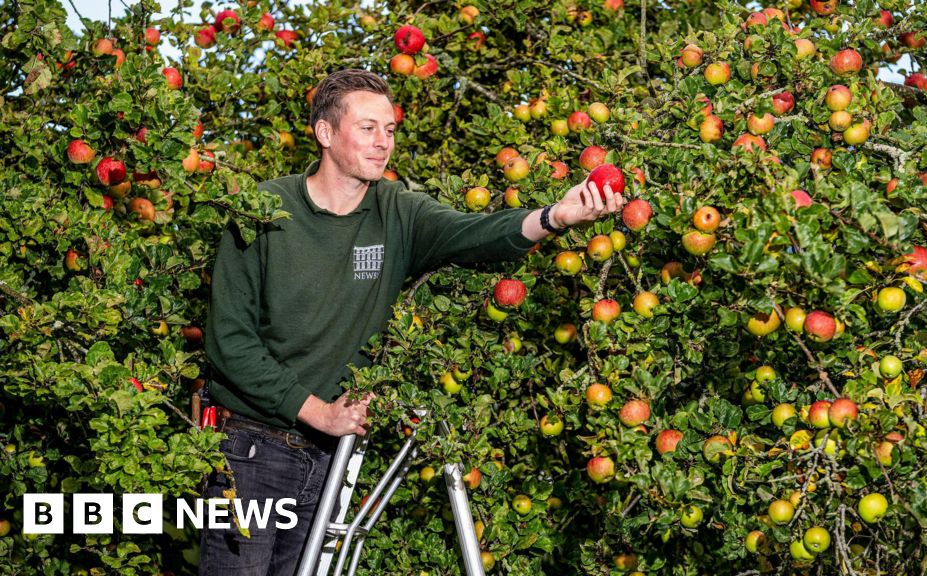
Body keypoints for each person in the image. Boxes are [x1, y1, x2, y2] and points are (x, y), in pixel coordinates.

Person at [199, 68, 623, 575]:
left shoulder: (396, 212)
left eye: (391, 130)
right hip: (249, 452)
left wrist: (556, 215)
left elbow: (474, 233)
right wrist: (317, 411)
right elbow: (229, 343)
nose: (384, 144)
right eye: (368, 128)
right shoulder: (264, 211)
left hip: (330, 459)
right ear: (326, 134)